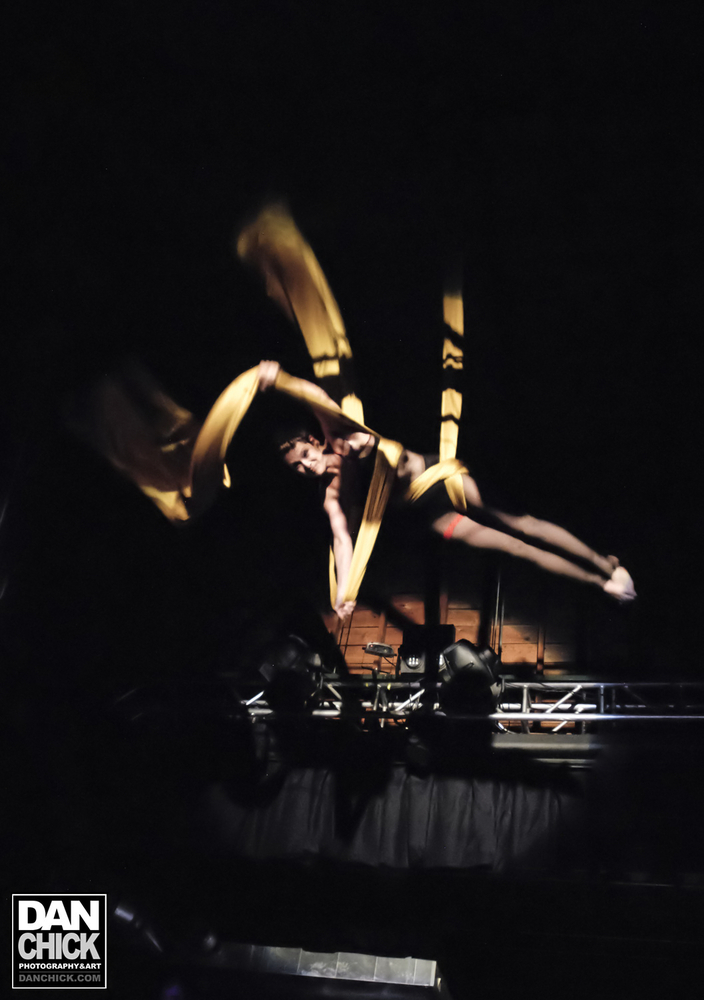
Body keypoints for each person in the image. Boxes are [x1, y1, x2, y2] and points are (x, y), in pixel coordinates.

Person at [257, 361, 637, 622]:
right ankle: (599, 583)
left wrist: (281, 380)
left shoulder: (339, 437)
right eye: (297, 468)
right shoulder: (332, 495)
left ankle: (606, 563)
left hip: (442, 478)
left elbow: (314, 396)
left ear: (313, 441)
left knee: (523, 525)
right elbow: (343, 541)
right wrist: (344, 590)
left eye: (305, 455)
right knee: (516, 548)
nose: (307, 466)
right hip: (432, 514)